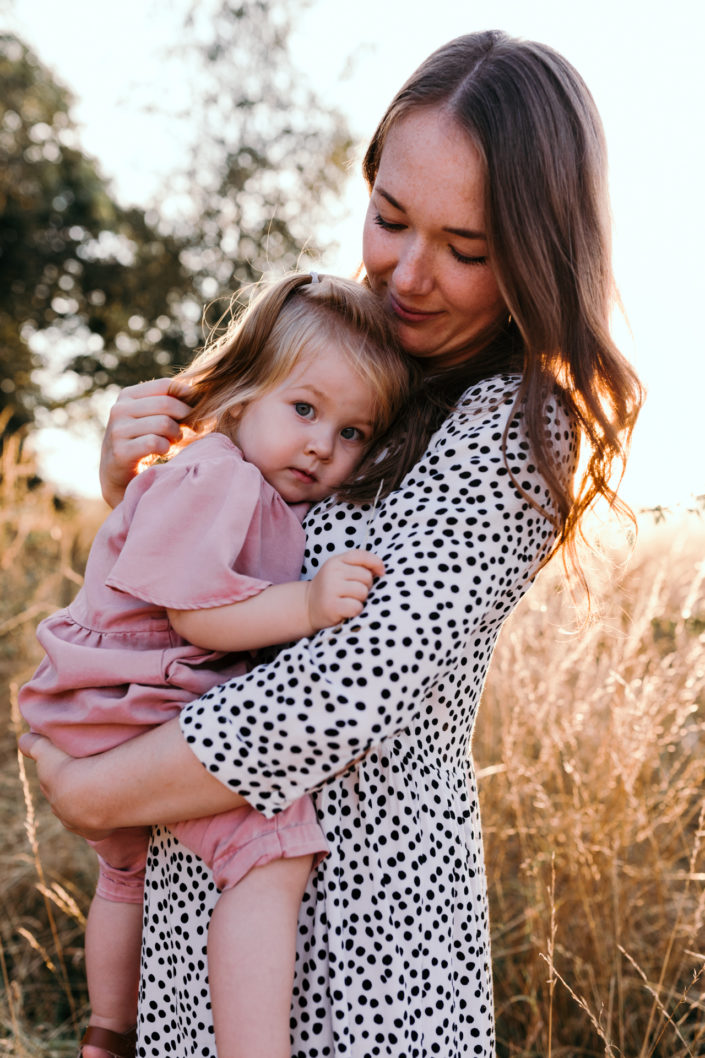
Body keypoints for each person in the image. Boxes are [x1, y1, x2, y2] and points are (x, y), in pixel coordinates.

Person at [20, 31, 643, 1058]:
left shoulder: (513, 426)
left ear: (538, 250)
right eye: (390, 218)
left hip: (360, 957)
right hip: (200, 919)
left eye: (467, 248)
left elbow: (339, 688)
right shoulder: (335, 369)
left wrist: (95, 787)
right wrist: (138, 495)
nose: (408, 271)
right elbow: (198, 603)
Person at [19, 272, 413, 1058]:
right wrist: (304, 606)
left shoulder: (250, 483)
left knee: (124, 874)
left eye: (352, 434)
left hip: (101, 701)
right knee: (271, 855)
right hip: (129, 694)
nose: (320, 446)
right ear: (239, 398)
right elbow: (194, 614)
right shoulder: (216, 473)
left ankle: (107, 1030)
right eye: (304, 409)